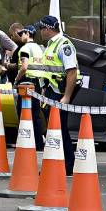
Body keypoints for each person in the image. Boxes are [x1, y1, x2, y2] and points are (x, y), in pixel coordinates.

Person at [33, 15, 80, 174]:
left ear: (47, 28)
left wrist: (66, 97)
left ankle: (66, 165)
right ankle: (57, 164)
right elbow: (49, 72)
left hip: (61, 93)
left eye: (41, 28)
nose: (40, 31)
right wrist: (45, 89)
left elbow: (72, 72)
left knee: (59, 128)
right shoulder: (50, 45)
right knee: (55, 128)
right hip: (53, 91)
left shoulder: (64, 45)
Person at [12, 25, 46, 150]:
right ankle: (38, 143)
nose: (21, 36)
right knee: (36, 115)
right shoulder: (39, 48)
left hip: (26, 82)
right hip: (37, 84)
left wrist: (16, 79)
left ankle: (25, 142)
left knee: (23, 112)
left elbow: (24, 66)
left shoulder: (25, 48)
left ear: (27, 33)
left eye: (22, 34)